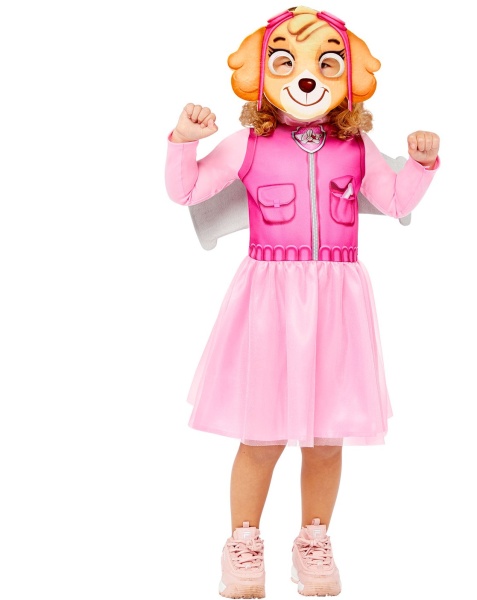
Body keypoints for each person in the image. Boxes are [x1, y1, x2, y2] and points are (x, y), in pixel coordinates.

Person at [165, 6, 440, 598]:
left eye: (327, 64)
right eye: (286, 63)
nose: (307, 78)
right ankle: (243, 542)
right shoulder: (249, 143)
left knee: (327, 436)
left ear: (350, 77)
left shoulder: (356, 146)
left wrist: (421, 164)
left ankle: (313, 539)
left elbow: (395, 201)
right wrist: (183, 142)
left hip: (337, 302)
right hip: (270, 300)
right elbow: (186, 191)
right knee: (261, 433)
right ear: (261, 75)